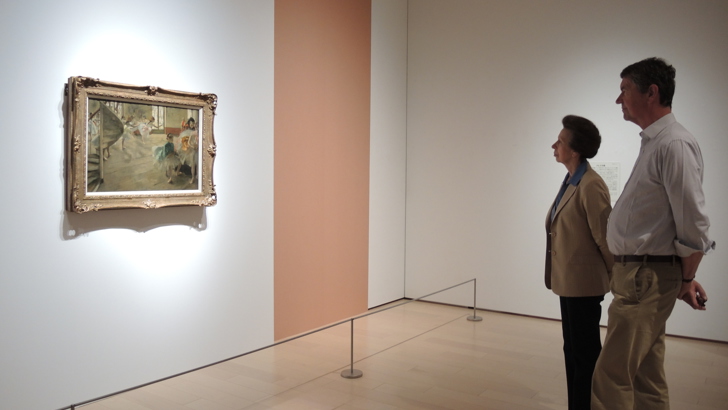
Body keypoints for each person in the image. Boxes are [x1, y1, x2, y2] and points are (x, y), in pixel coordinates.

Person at [591, 57, 715, 410]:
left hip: (646, 278)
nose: (619, 100)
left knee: (611, 375)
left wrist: (686, 277)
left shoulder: (673, 145)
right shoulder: (656, 143)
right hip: (640, 275)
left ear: (652, 93)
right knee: (646, 375)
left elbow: (694, 224)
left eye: (624, 90)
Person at [545, 115, 613, 410]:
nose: (554, 145)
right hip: (569, 282)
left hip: (584, 285)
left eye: (560, 141)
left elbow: (606, 239)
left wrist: (617, 278)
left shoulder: (591, 185)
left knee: (584, 354)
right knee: (572, 350)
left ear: (575, 149)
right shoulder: (571, 181)